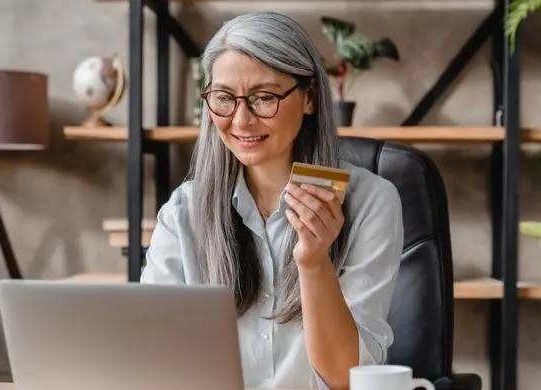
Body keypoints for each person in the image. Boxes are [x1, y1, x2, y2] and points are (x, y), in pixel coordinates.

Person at [140, 10, 404, 390]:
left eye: (264, 97)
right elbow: (149, 355)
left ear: (309, 97)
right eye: (224, 98)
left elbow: (346, 378)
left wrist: (314, 263)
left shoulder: (371, 202)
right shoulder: (183, 211)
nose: (242, 120)